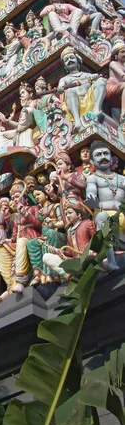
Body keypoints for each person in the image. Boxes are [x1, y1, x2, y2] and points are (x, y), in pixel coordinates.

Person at [85, 140, 125, 270]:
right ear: (91, 161)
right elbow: (91, 194)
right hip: (105, 215)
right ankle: (111, 261)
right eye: (98, 155)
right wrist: (92, 202)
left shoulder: (122, 178)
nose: (103, 157)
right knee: (101, 217)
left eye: (106, 153)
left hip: (122, 215)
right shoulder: (93, 178)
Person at [57, 46, 106, 131]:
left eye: (72, 58)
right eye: (66, 60)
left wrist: (96, 78)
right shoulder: (64, 79)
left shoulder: (87, 75)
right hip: (74, 103)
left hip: (89, 100)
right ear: (65, 67)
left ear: (78, 61)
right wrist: (60, 88)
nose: (69, 60)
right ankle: (77, 121)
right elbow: (60, 87)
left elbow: (98, 84)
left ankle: (96, 109)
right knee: (70, 91)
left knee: (101, 81)